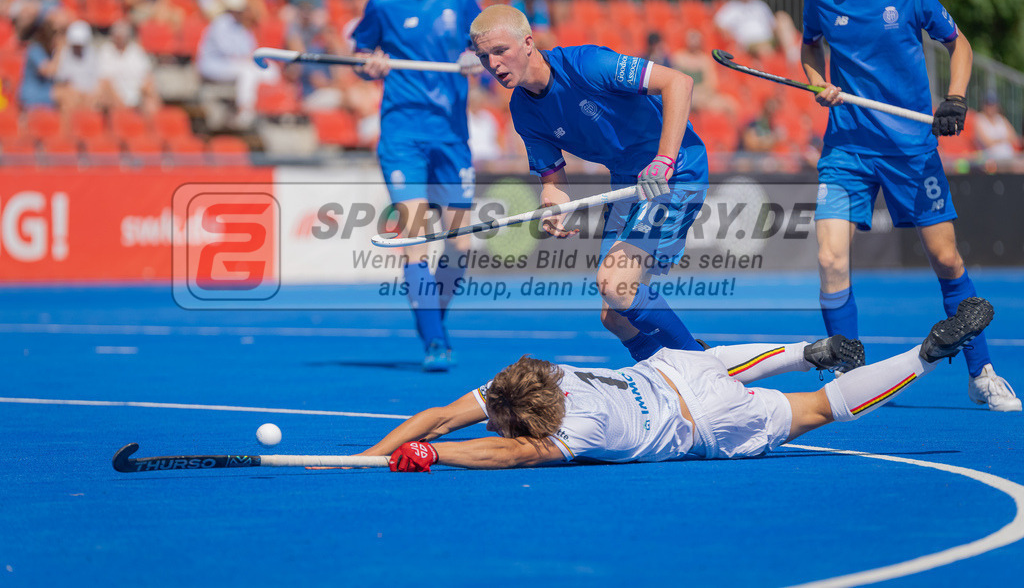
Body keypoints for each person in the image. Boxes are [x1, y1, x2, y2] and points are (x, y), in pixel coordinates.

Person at [800, 0, 1020, 411]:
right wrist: (819, 85)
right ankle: (848, 374)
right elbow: (810, 50)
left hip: (910, 149)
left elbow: (957, 43)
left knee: (946, 259)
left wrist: (957, 98)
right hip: (847, 147)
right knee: (830, 258)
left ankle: (981, 372)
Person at [361, 298, 993, 471]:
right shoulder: (542, 373)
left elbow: (504, 447)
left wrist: (430, 455)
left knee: (823, 407)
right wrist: (364, 459)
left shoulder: (576, 430)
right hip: (680, 370)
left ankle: (924, 356)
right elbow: (443, 413)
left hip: (706, 424)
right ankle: (806, 349)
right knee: (716, 360)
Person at [470, 4, 708, 364]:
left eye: (500, 51)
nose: (493, 64)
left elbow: (679, 82)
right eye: (484, 56)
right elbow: (553, 181)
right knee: (614, 317)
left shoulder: (587, 65)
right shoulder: (522, 109)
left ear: (529, 43)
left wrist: (664, 159)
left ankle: (706, 372)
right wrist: (552, 206)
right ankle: (679, 373)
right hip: (629, 185)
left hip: (674, 172)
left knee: (616, 286)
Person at [351, 0, 483, 371]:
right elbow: (359, 51)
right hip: (403, 133)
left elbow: (486, 46)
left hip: (451, 135)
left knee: (460, 247)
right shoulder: (384, 3)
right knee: (415, 239)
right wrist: (368, 63)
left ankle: (433, 322)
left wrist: (475, 56)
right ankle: (435, 341)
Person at [196, 0, 279, 129]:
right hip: (214, 65)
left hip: (235, 64)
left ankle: (270, 106)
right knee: (247, 72)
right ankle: (245, 111)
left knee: (270, 68)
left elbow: (251, 51)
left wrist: (248, 58)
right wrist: (246, 58)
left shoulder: (243, 27)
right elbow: (227, 51)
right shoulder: (220, 23)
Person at [714, 0, 800, 63]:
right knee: (765, 50)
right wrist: (732, 39)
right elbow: (719, 24)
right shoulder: (732, 7)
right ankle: (785, 65)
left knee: (782, 16)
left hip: (769, 38)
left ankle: (792, 53)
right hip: (749, 42)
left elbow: (773, 24)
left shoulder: (760, 5)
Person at [96, 20, 161, 115]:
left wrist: (145, 92)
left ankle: (153, 127)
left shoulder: (137, 51)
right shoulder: (106, 51)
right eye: (117, 36)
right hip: (114, 97)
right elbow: (105, 81)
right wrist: (120, 102)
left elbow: (147, 77)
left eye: (122, 36)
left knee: (151, 100)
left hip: (137, 97)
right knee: (104, 96)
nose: (120, 38)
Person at [54, 19, 99, 111]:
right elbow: (61, 79)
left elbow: (97, 79)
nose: (78, 48)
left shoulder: (92, 54)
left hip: (89, 94)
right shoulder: (64, 53)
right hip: (72, 94)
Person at [973, 91, 1020, 164]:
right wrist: (1004, 139)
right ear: (984, 105)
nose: (991, 107)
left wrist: (996, 140)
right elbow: (987, 143)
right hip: (990, 158)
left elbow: (1014, 138)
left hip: (1008, 155)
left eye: (993, 105)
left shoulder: (1001, 118)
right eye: (988, 104)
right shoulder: (979, 119)